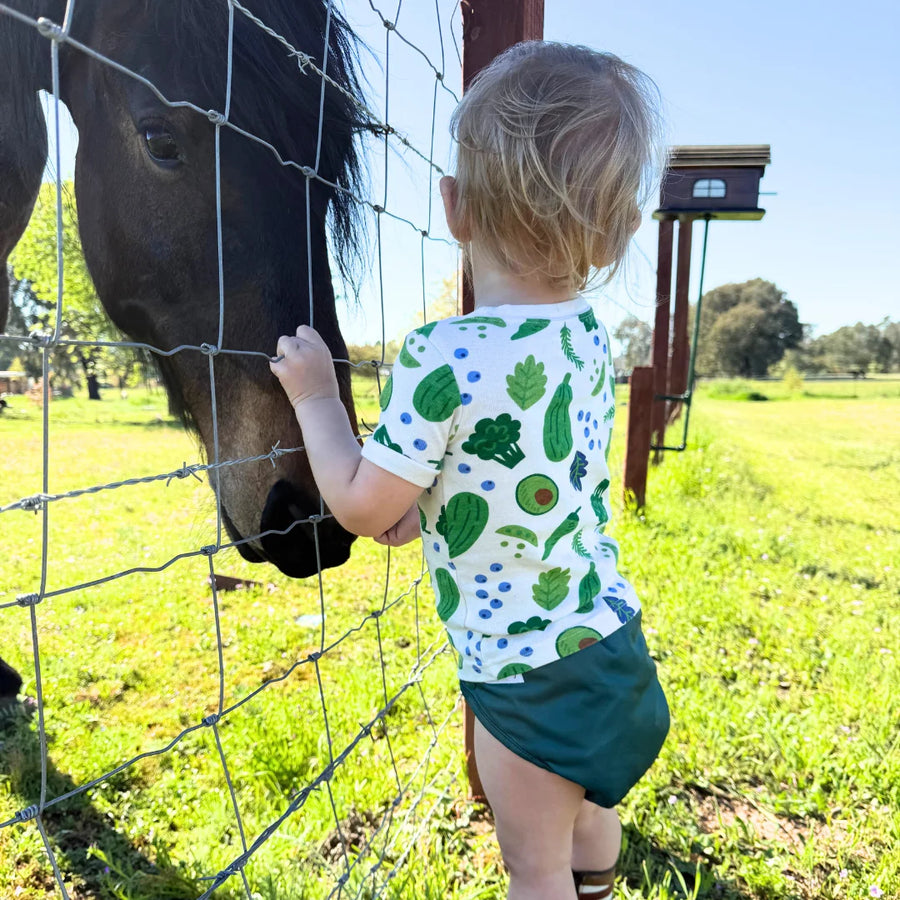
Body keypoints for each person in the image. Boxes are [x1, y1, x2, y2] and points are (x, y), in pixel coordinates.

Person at [271, 41, 669, 900]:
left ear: (454, 207)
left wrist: (317, 399)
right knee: (587, 819)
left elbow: (358, 504)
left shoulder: (445, 354)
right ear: (614, 230)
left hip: (525, 679)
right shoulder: (586, 337)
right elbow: (521, 457)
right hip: (610, 646)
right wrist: (434, 501)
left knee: (534, 866)